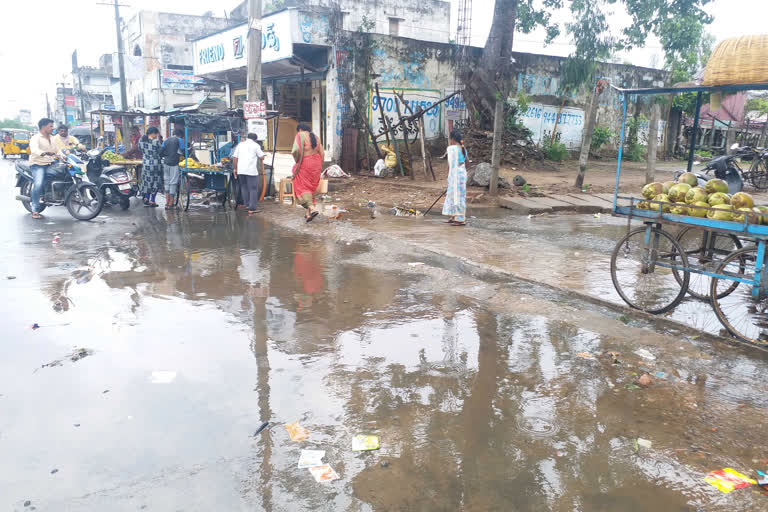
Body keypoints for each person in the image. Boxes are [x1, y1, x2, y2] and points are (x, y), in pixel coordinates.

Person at [290, 123, 324, 222]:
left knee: (302, 186)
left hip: (306, 163)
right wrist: (319, 166)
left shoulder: (300, 135)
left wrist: (297, 160)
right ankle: (308, 214)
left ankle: (313, 209)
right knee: (311, 187)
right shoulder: (316, 137)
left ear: (300, 129)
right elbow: (322, 153)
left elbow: (295, 150)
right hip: (316, 163)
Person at [28, 118, 59, 219]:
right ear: (43, 127)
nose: (52, 128)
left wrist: (64, 155)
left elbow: (57, 150)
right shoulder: (35, 138)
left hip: (50, 163)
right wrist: (44, 153)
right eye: (50, 126)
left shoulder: (53, 138)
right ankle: (35, 209)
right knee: (38, 184)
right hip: (38, 164)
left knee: (63, 173)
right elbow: (34, 149)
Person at [233, 133, 266, 214]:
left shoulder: (240, 145)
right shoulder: (256, 145)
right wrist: (263, 155)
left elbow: (234, 157)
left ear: (248, 138)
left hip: (241, 170)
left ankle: (247, 204)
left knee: (244, 187)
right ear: (255, 139)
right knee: (253, 189)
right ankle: (252, 208)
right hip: (251, 171)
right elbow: (262, 157)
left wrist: (235, 169)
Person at [442, 129, 468, 226]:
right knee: (458, 195)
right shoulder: (463, 148)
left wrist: (449, 174)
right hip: (462, 173)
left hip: (456, 174)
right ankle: (454, 216)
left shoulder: (452, 148)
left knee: (456, 195)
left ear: (452, 139)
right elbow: (467, 163)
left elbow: (450, 164)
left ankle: (460, 219)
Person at [137, 127, 163, 207]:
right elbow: (160, 151)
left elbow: (140, 149)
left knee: (147, 181)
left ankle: (146, 198)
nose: (156, 135)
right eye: (156, 134)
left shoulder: (141, 140)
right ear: (152, 133)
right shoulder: (156, 142)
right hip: (155, 165)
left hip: (146, 164)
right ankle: (152, 200)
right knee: (155, 181)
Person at [161, 128, 184, 210]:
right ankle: (171, 203)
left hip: (166, 163)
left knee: (167, 181)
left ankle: (166, 203)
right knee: (173, 182)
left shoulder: (166, 140)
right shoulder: (180, 140)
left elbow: (161, 151)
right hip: (174, 163)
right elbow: (183, 150)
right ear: (180, 135)